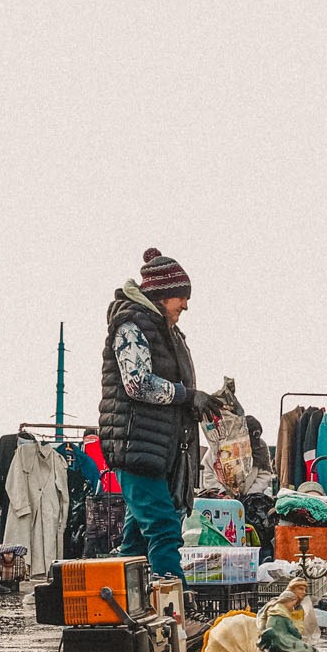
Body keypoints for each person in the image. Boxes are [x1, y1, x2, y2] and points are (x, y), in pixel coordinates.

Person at [100, 248, 221, 579]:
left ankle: (124, 608)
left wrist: (195, 403)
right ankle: (175, 606)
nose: (185, 305)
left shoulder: (165, 330)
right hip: (136, 447)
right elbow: (136, 383)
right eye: (181, 297)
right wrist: (187, 395)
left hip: (157, 451)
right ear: (163, 294)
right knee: (164, 529)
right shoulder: (132, 324)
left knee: (137, 539)